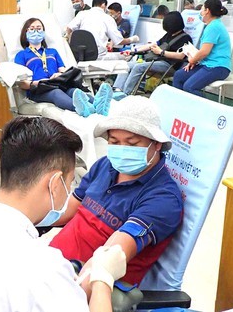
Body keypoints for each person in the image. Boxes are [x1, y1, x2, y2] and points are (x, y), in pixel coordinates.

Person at [0, 116, 127, 312]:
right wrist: (103, 279)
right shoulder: (45, 268)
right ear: (54, 184)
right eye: (69, 183)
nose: (69, 191)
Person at [49, 95, 184, 288]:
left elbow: (110, 258)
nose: (122, 150)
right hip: (53, 265)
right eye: (114, 141)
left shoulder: (163, 199)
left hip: (84, 287)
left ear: (156, 144)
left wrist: (66, 296)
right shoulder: (105, 165)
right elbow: (69, 208)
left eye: (131, 144)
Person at [15, 17, 114, 117]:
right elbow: (21, 83)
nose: (36, 31)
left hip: (58, 84)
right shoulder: (21, 55)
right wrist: (39, 82)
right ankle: (86, 110)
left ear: (43, 32)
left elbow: (63, 70)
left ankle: (101, 104)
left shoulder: (52, 52)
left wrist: (59, 75)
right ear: (26, 33)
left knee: (75, 91)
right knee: (56, 93)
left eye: (39, 28)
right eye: (32, 29)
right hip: (39, 89)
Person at [114, 11, 192, 95]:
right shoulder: (168, 35)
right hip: (156, 60)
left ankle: (125, 93)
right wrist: (134, 51)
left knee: (138, 67)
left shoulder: (185, 38)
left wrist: (161, 52)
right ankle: (117, 90)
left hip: (169, 65)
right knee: (126, 65)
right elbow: (152, 45)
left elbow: (181, 56)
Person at [173, 0, 231, 97]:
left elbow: (204, 52)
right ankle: (181, 105)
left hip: (218, 67)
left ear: (207, 11)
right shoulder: (211, 25)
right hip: (207, 64)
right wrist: (194, 62)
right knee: (179, 76)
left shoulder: (214, 27)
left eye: (202, 9)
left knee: (189, 87)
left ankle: (206, 110)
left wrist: (192, 61)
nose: (200, 12)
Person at [67, 0, 139, 60]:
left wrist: (72, 43)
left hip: (80, 55)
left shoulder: (82, 14)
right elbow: (119, 41)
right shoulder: (107, 18)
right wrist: (132, 39)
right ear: (104, 5)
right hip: (98, 56)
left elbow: (69, 28)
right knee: (127, 56)